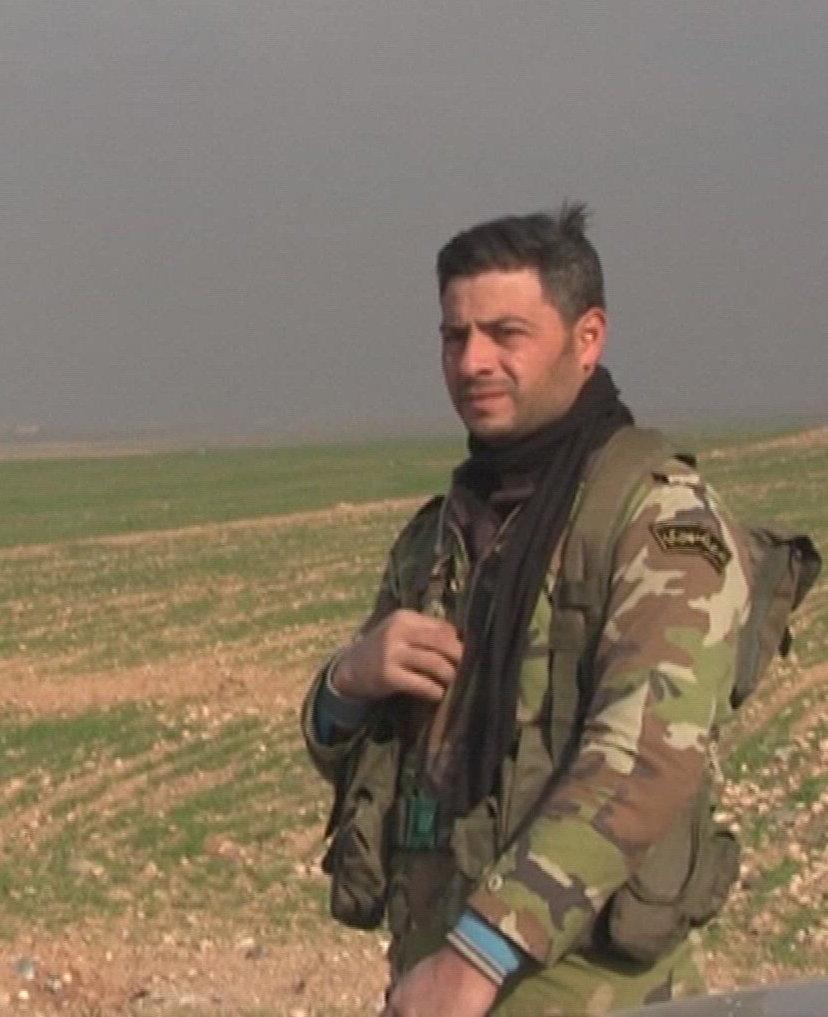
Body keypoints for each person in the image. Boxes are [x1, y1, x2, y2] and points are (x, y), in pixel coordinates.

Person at [302, 203, 753, 1015]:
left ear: (588, 338)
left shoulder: (656, 519)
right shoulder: (440, 537)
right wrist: (348, 682)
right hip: (434, 979)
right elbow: (359, 755)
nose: (473, 361)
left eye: (505, 334)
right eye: (454, 337)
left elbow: (643, 760)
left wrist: (475, 958)